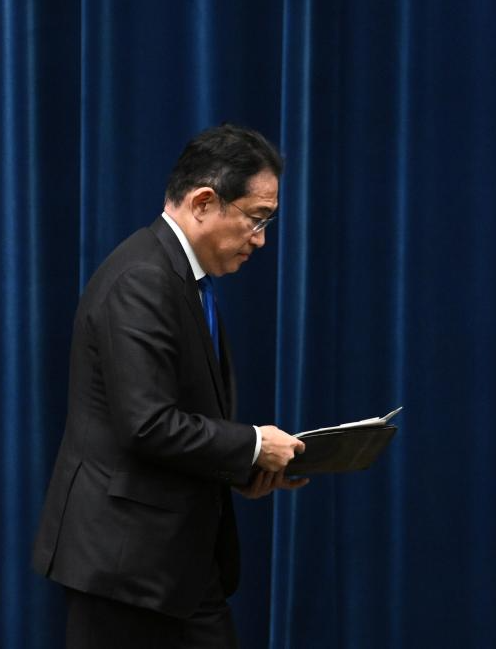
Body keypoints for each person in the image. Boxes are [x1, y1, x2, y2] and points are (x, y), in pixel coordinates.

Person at [31, 123, 307, 648]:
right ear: (204, 202)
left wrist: (240, 467)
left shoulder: (180, 277)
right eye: (256, 219)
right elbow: (147, 424)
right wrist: (252, 444)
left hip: (172, 563)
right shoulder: (144, 278)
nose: (261, 239)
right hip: (124, 568)